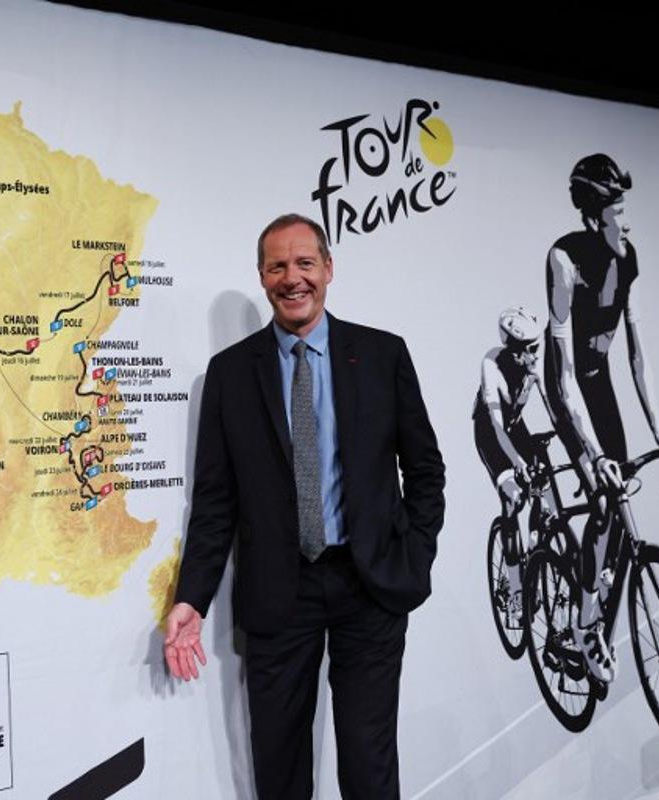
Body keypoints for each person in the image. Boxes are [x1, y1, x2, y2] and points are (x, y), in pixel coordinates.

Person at [163, 213, 445, 800]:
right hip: (277, 594)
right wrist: (191, 597)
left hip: (370, 586)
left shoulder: (382, 354)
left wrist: (414, 554)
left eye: (304, 263)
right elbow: (215, 502)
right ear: (262, 276)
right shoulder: (231, 374)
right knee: (280, 770)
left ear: (329, 269)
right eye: (277, 266)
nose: (292, 278)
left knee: (370, 770)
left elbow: (425, 469)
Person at [544, 154, 659, 684]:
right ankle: (580, 633)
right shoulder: (563, 260)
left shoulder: (631, 257)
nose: (629, 219)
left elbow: (638, 355)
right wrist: (593, 454)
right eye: (620, 210)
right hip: (567, 389)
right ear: (596, 215)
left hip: (600, 387)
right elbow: (564, 371)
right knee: (602, 495)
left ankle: (595, 598)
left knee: (619, 504)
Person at [473, 307, 551, 617]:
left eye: (537, 346)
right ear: (513, 350)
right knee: (514, 496)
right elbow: (495, 425)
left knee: (544, 486)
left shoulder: (535, 364)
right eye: (529, 349)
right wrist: (517, 462)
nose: (535, 355)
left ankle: (536, 546)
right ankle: (517, 590)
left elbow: (553, 403)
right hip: (490, 430)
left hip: (516, 426)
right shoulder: (492, 364)